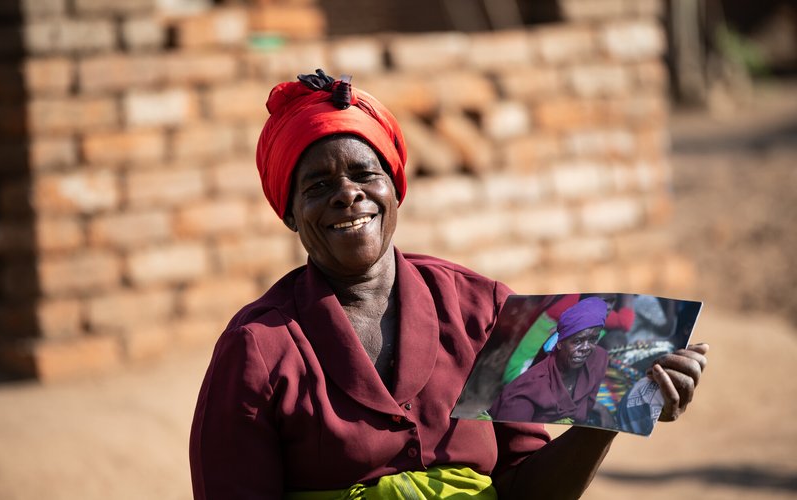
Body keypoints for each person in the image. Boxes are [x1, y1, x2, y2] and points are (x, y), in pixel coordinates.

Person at [189, 70, 709, 499]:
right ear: (289, 214)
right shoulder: (257, 349)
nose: (348, 195)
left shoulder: (482, 309)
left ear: (395, 187)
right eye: (318, 186)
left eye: (364, 175)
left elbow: (527, 489)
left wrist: (610, 409)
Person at [489, 298, 612, 426]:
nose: (586, 348)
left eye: (593, 339)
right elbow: (513, 439)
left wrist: (600, 409)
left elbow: (586, 408)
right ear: (559, 343)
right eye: (577, 341)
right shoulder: (527, 392)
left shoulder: (599, 359)